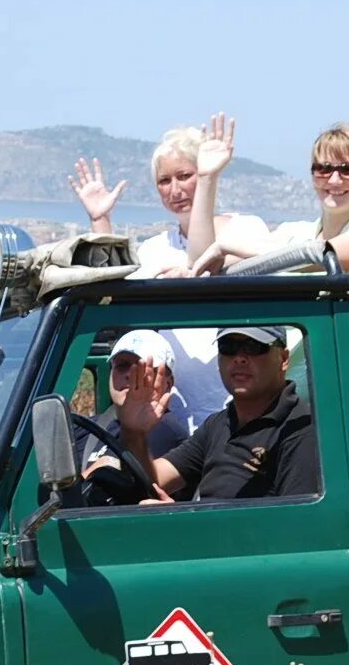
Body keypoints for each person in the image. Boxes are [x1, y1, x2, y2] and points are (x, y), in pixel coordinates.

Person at [68, 116, 264, 428]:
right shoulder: (155, 249)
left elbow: (206, 259)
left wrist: (208, 178)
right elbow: (111, 290)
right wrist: (101, 219)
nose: (175, 190)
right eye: (164, 181)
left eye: (185, 176)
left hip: (236, 409)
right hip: (175, 413)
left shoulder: (245, 229)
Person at [115, 326, 318, 501]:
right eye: (228, 347)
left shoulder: (300, 429)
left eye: (254, 347)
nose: (240, 358)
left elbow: (295, 530)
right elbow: (155, 480)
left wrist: (182, 521)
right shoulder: (220, 423)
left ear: (283, 359)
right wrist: (133, 433)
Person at [189, 123, 349, 275]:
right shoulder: (294, 233)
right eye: (323, 169)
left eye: (348, 170)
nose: (334, 179)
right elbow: (203, 264)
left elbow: (317, 255)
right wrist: (206, 178)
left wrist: (226, 244)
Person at [77, 330, 190, 504]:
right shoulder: (87, 426)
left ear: (167, 383)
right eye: (121, 365)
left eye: (141, 367)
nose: (130, 374)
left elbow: (138, 487)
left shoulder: (165, 429)